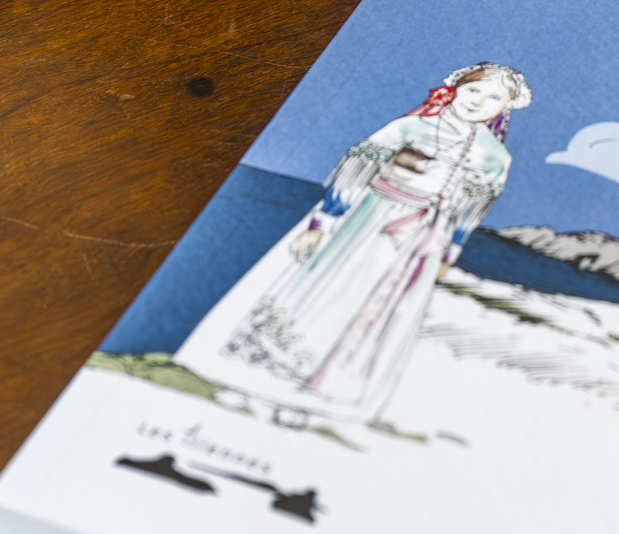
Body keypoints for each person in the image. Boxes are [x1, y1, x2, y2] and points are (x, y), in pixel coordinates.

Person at [176, 62, 531, 423]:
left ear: (503, 108)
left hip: (420, 239)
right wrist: (322, 222)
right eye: (474, 90)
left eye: (493, 98)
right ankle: (250, 381)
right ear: (457, 86)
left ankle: (313, 400)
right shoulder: (411, 126)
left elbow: (470, 213)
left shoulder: (495, 156)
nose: (479, 101)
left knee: (368, 311)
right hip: (367, 219)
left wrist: (449, 252)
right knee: (317, 295)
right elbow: (354, 174)